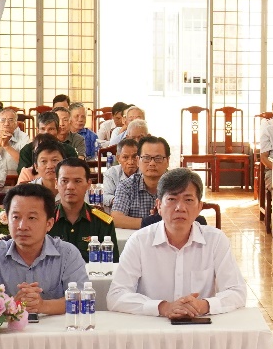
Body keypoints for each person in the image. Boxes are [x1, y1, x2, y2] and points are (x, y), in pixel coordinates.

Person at [108, 169, 248, 318]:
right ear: (159, 206)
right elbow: (116, 295)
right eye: (172, 199)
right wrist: (163, 307)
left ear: (200, 207)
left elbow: (237, 291)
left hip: (200, 330)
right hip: (153, 330)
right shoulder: (139, 241)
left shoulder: (216, 240)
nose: (180, 208)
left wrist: (204, 305)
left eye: (188, 200)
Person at [0, 183, 89, 315]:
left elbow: (83, 299)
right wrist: (11, 304)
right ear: (7, 219)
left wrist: (42, 305)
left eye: (32, 218)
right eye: (16, 217)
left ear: (49, 224)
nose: (22, 226)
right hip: (8, 333)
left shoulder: (68, 253)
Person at [49, 157, 118, 261]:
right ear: (56, 183)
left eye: (77, 181)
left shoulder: (102, 221)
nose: (70, 186)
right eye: (64, 181)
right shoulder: (45, 217)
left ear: (88, 184)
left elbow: (112, 263)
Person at [112, 136, 171, 230]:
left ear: (167, 161)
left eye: (158, 158)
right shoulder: (127, 186)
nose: (152, 163)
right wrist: (150, 222)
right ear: (138, 160)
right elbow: (116, 218)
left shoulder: (177, 186)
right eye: (146, 158)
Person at [99, 138, 141, 212]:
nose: (130, 162)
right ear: (118, 158)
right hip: (118, 212)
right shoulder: (111, 173)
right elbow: (105, 196)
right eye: (125, 157)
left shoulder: (145, 173)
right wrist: (121, 202)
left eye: (134, 157)